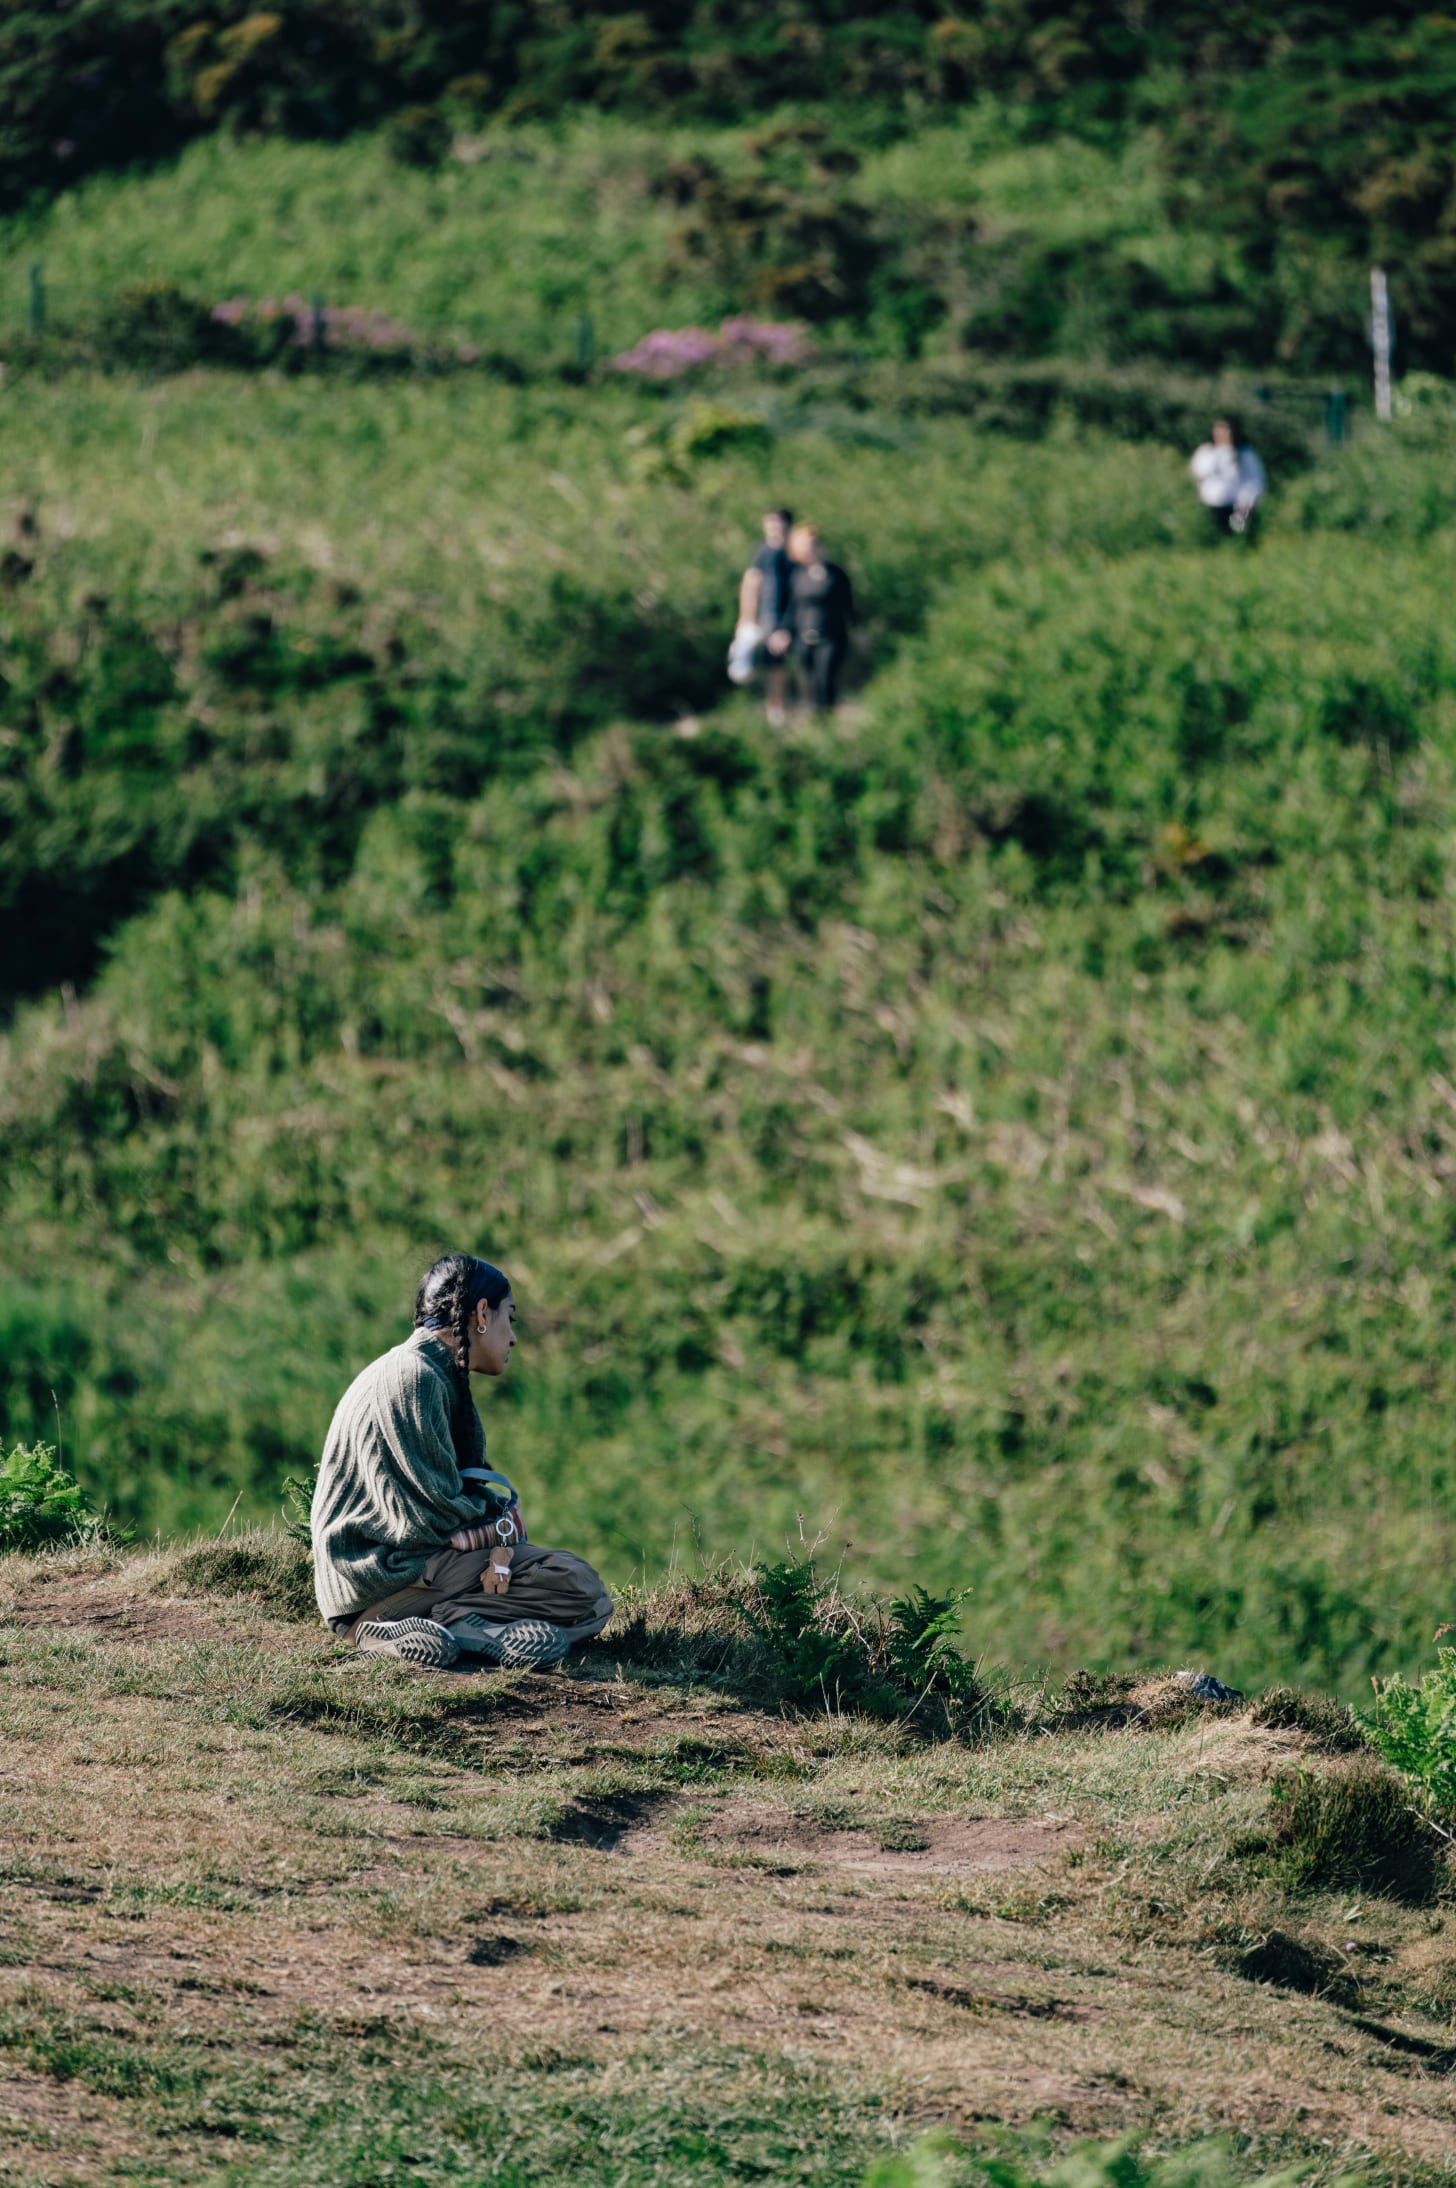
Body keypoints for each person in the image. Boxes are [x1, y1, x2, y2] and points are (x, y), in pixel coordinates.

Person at [310, 1253, 612, 1670]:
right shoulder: (413, 1377)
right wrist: (499, 1527)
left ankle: (459, 1630)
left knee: (588, 1600)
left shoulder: (426, 1372)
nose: (513, 1338)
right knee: (580, 1587)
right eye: (511, 1317)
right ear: (482, 1314)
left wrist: (498, 1534)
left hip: (388, 1575)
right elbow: (433, 1514)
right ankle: (403, 1629)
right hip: (386, 1577)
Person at [733, 507, 795, 726]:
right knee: (773, 663)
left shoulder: (794, 551)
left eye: (777, 524)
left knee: (790, 663)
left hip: (795, 613)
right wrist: (747, 616)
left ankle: (789, 706)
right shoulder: (762, 551)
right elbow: (751, 582)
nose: (773, 528)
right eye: (770, 524)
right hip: (769, 614)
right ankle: (774, 708)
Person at [787, 522, 855, 712]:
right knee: (808, 681)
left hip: (832, 633)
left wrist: (858, 629)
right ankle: (813, 720)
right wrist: (785, 631)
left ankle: (827, 717)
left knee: (825, 677)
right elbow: (793, 607)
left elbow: (849, 604)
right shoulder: (798, 575)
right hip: (804, 633)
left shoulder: (836, 574)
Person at [1189, 417, 1267, 537]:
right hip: (1210, 505)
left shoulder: (1245, 453)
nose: (1224, 435)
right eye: (1219, 431)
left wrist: (1248, 500)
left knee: (1237, 533)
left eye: (1227, 431)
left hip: (1237, 506)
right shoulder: (1206, 452)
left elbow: (1255, 480)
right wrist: (1220, 453)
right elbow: (1199, 473)